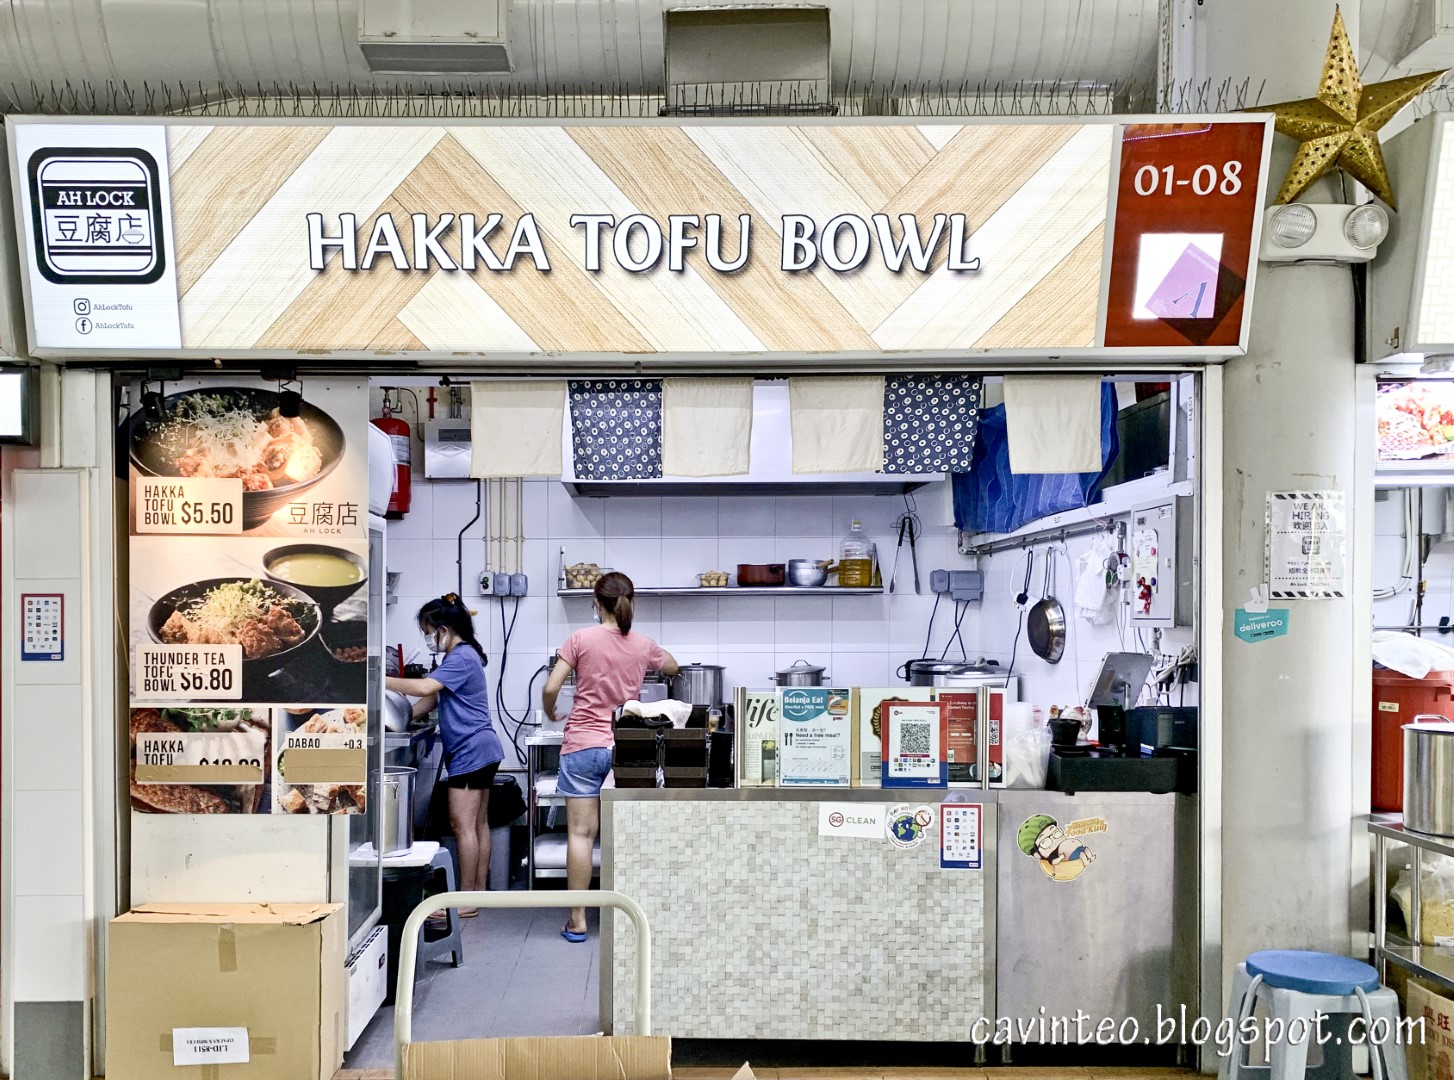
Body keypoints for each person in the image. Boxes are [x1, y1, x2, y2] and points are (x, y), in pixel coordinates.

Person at [542, 572, 678, 943]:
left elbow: (552, 685)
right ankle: (631, 917)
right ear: (630, 603)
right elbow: (673, 666)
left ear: (595, 603)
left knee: (581, 835)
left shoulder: (580, 639)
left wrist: (552, 709)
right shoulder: (642, 644)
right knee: (628, 835)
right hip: (624, 747)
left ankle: (578, 920)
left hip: (583, 745)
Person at [386, 593, 504, 919]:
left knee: (462, 825)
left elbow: (425, 689)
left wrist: (378, 681)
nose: (427, 637)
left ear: (445, 629)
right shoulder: (461, 657)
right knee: (478, 825)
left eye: (428, 630)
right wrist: (402, 717)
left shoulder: (461, 657)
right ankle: (476, 893)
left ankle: (465, 900)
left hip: (471, 750)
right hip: (482, 749)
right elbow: (433, 700)